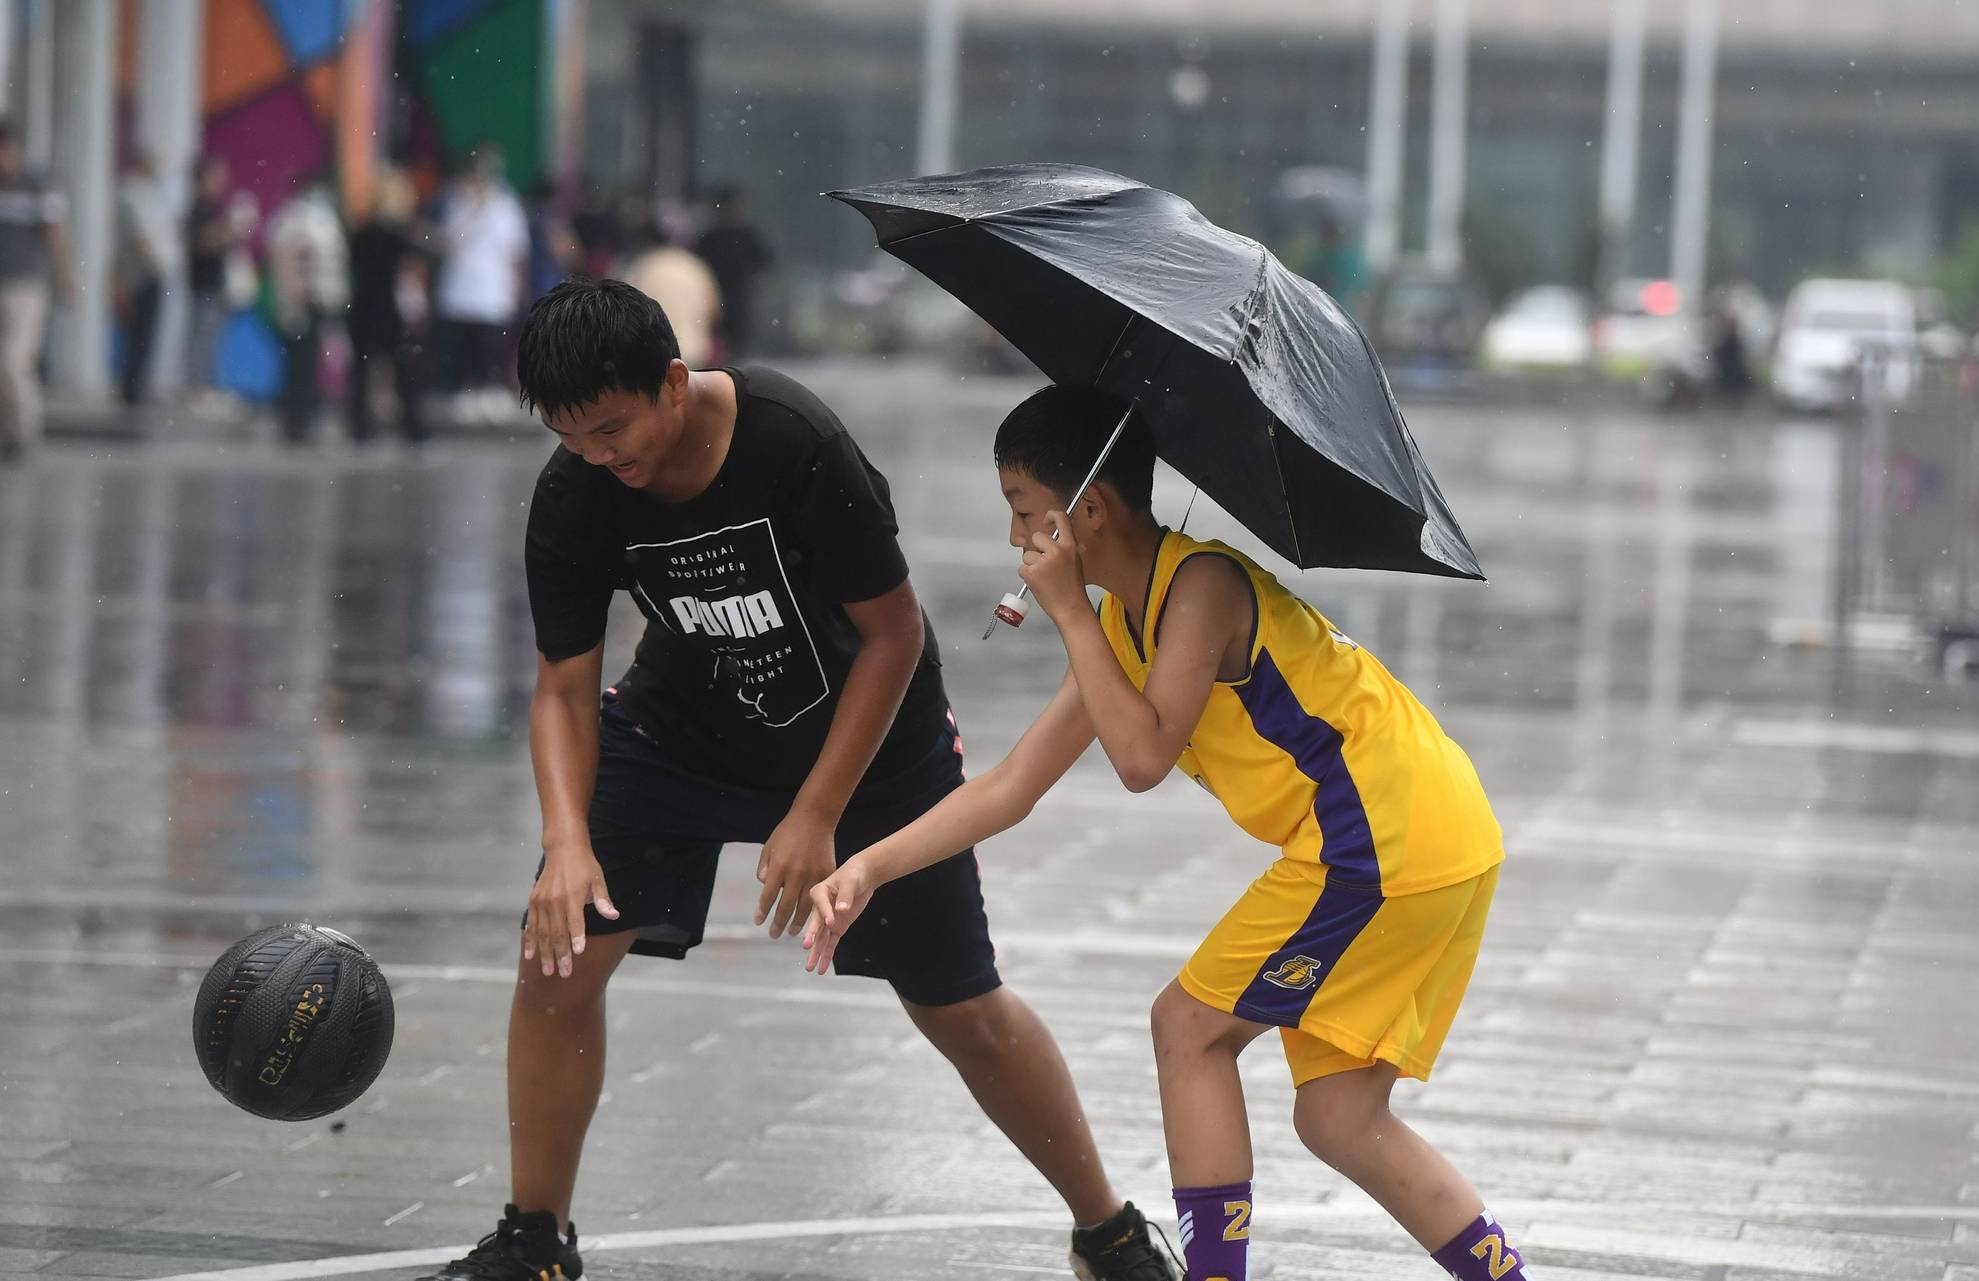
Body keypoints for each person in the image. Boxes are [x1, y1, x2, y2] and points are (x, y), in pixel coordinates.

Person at [412, 279, 1177, 1281]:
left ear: (674, 383)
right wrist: (566, 840)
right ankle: (535, 1238)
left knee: (958, 1006)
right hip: (679, 731)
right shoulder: (575, 493)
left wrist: (817, 812)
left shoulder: (793, 444)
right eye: (577, 439)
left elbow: (893, 634)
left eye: (615, 428)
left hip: (872, 742)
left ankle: (1107, 1230)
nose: (606, 459)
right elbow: (562, 688)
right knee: (555, 957)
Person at [805, 386, 1528, 1281]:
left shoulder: (1202, 588)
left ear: (1088, 512)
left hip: (1383, 835)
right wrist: (868, 866)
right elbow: (1012, 784)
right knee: (1339, 1116)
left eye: (1025, 513)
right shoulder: (1122, 617)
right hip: (1419, 834)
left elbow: (1142, 757)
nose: (1015, 540)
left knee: (1187, 1028)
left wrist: (1069, 612)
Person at [433, 146, 527, 417]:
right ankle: (467, 390)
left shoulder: (505, 205)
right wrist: (472, 208)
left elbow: (514, 249)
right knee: (463, 342)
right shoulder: (456, 202)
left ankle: (491, 390)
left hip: (491, 288)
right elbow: (448, 240)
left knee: (491, 343)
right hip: (461, 287)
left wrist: (515, 285)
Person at [0, 119, 69, 464]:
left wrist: (65, 280)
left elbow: (54, 235)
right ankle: (8, 431)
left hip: (26, 287)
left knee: (13, 360)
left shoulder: (36, 184)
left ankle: (23, 432)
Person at [346, 169, 430, 444]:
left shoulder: (361, 233)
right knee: (403, 371)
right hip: (386, 309)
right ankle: (413, 429)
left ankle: (360, 429)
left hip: (363, 308)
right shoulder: (396, 236)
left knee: (363, 373)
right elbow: (416, 262)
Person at [266, 176, 349, 444]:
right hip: (303, 301)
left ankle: (301, 419)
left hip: (316, 300)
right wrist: (297, 292)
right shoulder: (298, 222)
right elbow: (291, 257)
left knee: (306, 361)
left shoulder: (315, 221)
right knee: (299, 363)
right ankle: (296, 421)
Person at [622, 203, 720, 367]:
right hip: (694, 349)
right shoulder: (694, 266)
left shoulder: (643, 267)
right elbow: (713, 309)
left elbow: (624, 309)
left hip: (654, 351)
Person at [115, 151, 177, 406]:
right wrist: (156, 263)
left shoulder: (148, 196)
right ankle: (132, 388)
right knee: (139, 335)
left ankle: (137, 385)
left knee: (145, 336)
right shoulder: (132, 196)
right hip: (140, 275)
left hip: (147, 274)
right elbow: (141, 237)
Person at [182, 154, 240, 408]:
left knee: (211, 336)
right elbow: (204, 243)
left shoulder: (214, 208)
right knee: (203, 337)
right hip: (203, 283)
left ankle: (205, 384)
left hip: (213, 282)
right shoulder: (202, 208)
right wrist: (226, 231)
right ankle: (197, 388)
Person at [693, 185, 773, 357]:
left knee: (736, 341)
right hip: (716, 296)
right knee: (720, 340)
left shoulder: (747, 235)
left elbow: (764, 265)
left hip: (738, 297)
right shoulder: (710, 237)